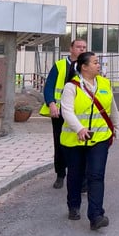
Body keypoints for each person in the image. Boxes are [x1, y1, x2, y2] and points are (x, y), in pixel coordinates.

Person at [60, 51, 119, 230]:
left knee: (96, 175)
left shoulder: (104, 83)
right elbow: (67, 111)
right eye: (95, 62)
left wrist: (116, 127)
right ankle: (73, 206)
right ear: (84, 67)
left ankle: (96, 215)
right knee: (75, 174)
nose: (98, 65)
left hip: (100, 138)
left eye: (98, 62)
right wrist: (79, 128)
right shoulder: (72, 87)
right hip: (74, 139)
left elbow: (111, 107)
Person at [40, 39, 87, 189]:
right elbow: (49, 87)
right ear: (71, 48)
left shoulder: (86, 67)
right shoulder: (60, 65)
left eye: (84, 47)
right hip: (60, 113)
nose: (81, 49)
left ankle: (83, 179)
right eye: (79, 47)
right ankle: (60, 174)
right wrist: (51, 103)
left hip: (81, 114)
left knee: (82, 144)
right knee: (60, 144)